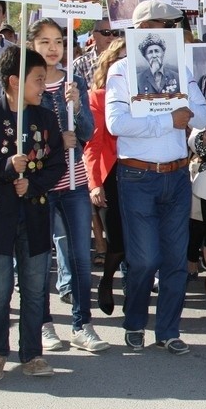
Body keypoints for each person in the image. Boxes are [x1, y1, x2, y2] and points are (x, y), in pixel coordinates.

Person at [104, 0, 206, 355]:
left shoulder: (183, 67)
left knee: (176, 261)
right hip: (137, 177)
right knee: (145, 259)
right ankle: (134, 321)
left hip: (177, 177)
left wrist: (186, 114)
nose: (173, 30)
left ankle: (168, 330)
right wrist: (170, 120)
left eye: (173, 25)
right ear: (145, 28)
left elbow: (204, 114)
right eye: (166, 24)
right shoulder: (119, 70)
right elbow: (117, 124)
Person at [0, 47, 66, 380]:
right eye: (38, 79)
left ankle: (32, 354)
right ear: (14, 81)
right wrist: (6, 167)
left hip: (34, 214)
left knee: (35, 288)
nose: (43, 86)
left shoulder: (47, 117)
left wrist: (32, 186)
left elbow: (57, 165)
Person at [26, 19, 106, 353]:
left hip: (74, 183)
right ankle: (44, 324)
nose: (52, 48)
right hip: (41, 185)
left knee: (80, 258)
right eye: (44, 42)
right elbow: (25, 135)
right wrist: (60, 140)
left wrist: (76, 106)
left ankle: (81, 324)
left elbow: (87, 132)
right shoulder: (28, 86)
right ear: (33, 45)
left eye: (58, 41)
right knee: (40, 258)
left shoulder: (75, 82)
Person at [82, 39, 127, 316]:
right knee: (119, 240)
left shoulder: (147, 95)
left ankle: (135, 286)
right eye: (117, 61)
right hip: (111, 175)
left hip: (143, 169)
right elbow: (93, 146)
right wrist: (95, 183)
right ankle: (107, 282)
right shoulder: (97, 97)